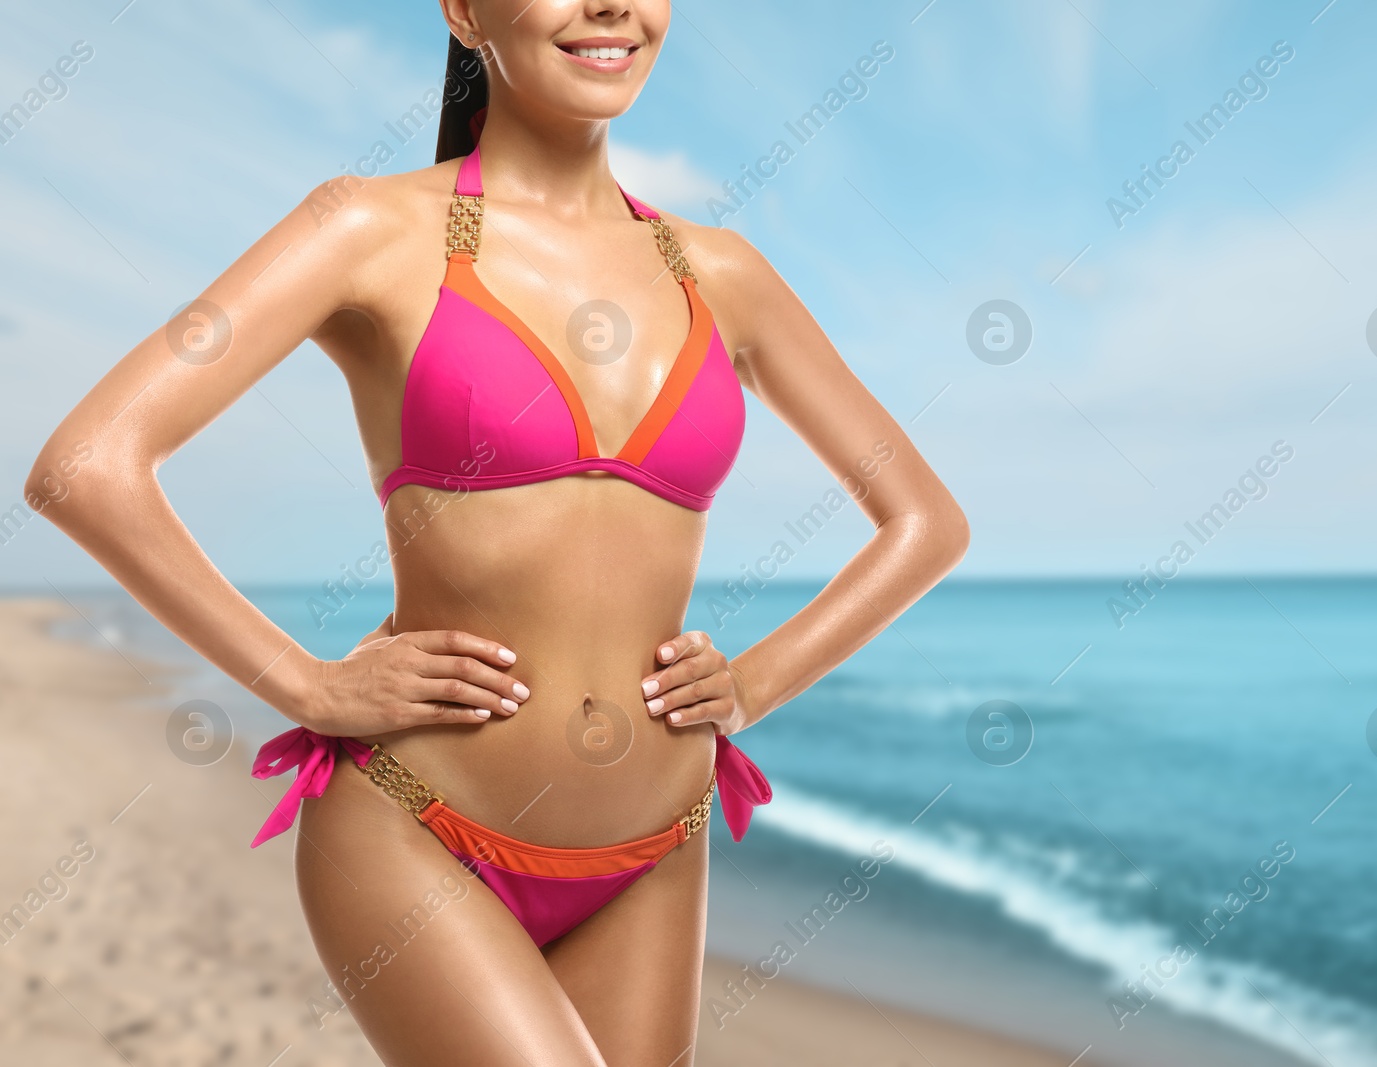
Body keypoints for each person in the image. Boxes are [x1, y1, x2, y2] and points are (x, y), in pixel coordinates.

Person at [25, 2, 968, 1063]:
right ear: (466, 10)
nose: (611, 5)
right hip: (413, 823)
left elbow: (925, 521)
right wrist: (304, 685)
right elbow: (86, 467)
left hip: (656, 849)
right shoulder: (368, 230)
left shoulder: (724, 273)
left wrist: (755, 681)